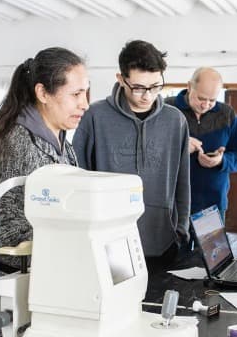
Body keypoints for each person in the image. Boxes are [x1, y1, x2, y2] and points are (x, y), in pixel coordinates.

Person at [0, 47, 89, 337]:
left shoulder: (60, 139)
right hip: (12, 284)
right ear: (43, 93)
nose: (84, 104)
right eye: (76, 94)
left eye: (85, 93)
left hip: (42, 281)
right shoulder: (16, 144)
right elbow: (5, 231)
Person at [73, 40, 190, 261]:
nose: (147, 95)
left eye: (155, 86)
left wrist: (182, 227)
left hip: (163, 241)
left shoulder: (176, 120)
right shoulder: (95, 116)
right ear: (121, 79)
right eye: (138, 88)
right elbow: (79, 176)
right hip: (109, 242)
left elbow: (183, 180)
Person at [165, 67, 237, 220]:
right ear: (190, 86)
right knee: (172, 245)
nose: (206, 105)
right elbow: (148, 150)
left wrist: (221, 160)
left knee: (210, 246)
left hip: (212, 206)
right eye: (201, 98)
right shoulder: (166, 110)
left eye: (212, 100)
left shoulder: (227, 114)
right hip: (172, 204)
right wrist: (179, 145)